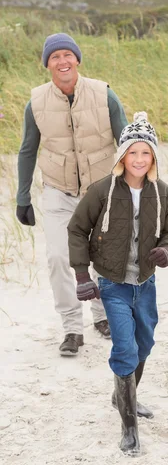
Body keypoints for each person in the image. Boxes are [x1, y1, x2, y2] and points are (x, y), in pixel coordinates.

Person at [67, 112, 168, 456]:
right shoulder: (102, 191)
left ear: (154, 158)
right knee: (125, 349)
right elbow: (76, 229)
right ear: (122, 156)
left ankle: (123, 395)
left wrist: (166, 249)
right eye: (133, 152)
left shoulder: (161, 192)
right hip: (112, 284)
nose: (139, 160)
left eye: (146, 153)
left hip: (145, 283)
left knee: (144, 342)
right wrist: (83, 276)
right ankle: (128, 427)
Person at [15, 32, 128, 355]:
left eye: (67, 55)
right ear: (47, 65)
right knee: (58, 258)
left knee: (102, 256)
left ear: (77, 59)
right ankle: (71, 328)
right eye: (54, 57)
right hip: (57, 191)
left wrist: (138, 186)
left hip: (101, 190)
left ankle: (102, 316)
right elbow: (27, 151)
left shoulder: (104, 94)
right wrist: (23, 197)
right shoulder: (36, 102)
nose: (62, 62)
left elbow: (127, 140)